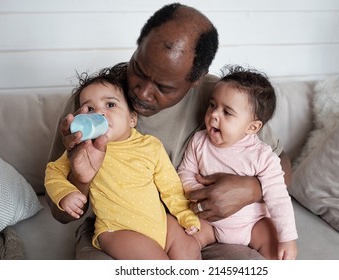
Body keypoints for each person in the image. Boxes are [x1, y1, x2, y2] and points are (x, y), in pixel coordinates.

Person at [47, 3, 292, 259]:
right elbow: (59, 213)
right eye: (138, 71)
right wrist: (81, 179)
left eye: (164, 87)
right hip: (116, 228)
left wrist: (252, 188)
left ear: (196, 80)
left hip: (198, 228)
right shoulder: (93, 101)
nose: (142, 93)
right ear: (137, 47)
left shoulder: (220, 100)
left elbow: (281, 161)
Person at [45, 63, 201, 260]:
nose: (99, 113)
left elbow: (171, 187)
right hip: (117, 231)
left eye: (110, 105)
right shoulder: (82, 148)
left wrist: (185, 216)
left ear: (132, 118)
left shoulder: (150, 146)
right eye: (90, 108)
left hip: (160, 224)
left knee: (189, 248)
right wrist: (65, 194)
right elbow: (53, 172)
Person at [177, 65, 298, 260]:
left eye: (227, 112)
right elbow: (185, 172)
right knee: (178, 239)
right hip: (210, 223)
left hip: (252, 224)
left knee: (277, 250)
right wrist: (199, 192)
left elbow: (278, 199)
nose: (214, 114)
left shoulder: (262, 156)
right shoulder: (199, 141)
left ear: (252, 127)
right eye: (212, 105)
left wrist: (288, 238)